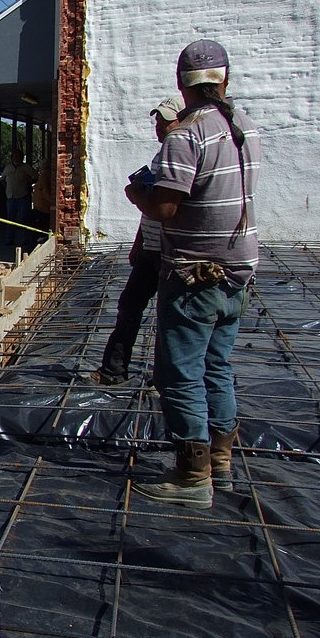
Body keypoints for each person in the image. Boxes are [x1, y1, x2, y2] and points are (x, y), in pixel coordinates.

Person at [125, 40, 260, 508]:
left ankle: (191, 476)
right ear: (225, 80)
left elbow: (165, 208)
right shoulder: (244, 127)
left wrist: (138, 195)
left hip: (194, 274)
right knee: (216, 366)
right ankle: (220, 462)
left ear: (182, 86)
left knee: (179, 373)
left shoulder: (187, 135)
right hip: (238, 271)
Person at [92, 96, 185, 385]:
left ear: (182, 121)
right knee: (129, 306)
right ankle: (113, 371)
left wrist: (136, 196)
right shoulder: (160, 156)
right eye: (157, 121)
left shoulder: (184, 156)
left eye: (165, 121)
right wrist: (138, 243)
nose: (159, 126)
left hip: (173, 252)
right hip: (150, 249)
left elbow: (168, 208)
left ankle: (168, 381)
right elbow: (150, 210)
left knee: (171, 318)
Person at [1, 141, 39, 247]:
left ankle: (26, 239)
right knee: (10, 219)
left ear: (21, 157)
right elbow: (2, 179)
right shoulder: (8, 167)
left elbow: (36, 177)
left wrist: (29, 184)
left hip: (23, 196)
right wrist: (6, 188)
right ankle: (9, 239)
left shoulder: (26, 167)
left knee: (24, 219)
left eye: (18, 156)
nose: (16, 158)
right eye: (14, 156)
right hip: (10, 197)